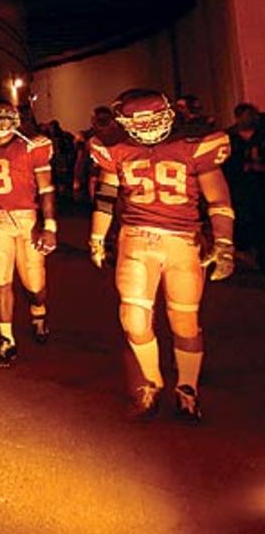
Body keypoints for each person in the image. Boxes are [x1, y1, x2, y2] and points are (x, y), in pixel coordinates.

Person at [89, 89, 234, 422]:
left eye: (154, 118)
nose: (149, 128)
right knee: (133, 318)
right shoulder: (115, 147)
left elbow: (218, 200)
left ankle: (187, 390)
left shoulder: (194, 143)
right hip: (136, 237)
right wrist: (98, 236)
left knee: (184, 321)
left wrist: (224, 244)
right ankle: (151, 382)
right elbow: (106, 197)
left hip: (183, 240)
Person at [0, 99, 57, 367]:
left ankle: (38, 311)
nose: (0, 124)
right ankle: (6, 339)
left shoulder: (31, 147)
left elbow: (46, 189)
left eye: (5, 118)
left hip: (27, 218)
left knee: (34, 285)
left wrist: (49, 225)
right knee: (1, 281)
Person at [224, 102, 265, 269]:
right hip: (240, 188)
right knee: (244, 220)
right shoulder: (230, 138)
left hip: (261, 185)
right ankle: (247, 252)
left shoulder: (261, 136)